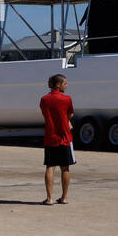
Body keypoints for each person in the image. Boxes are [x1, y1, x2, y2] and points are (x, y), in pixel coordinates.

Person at [39, 73, 74, 205]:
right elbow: (70, 113)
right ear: (58, 85)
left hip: (50, 137)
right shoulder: (67, 99)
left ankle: (49, 198)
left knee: (50, 167)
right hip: (65, 137)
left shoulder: (44, 100)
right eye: (65, 83)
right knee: (65, 168)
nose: (66, 86)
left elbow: (46, 115)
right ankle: (64, 197)